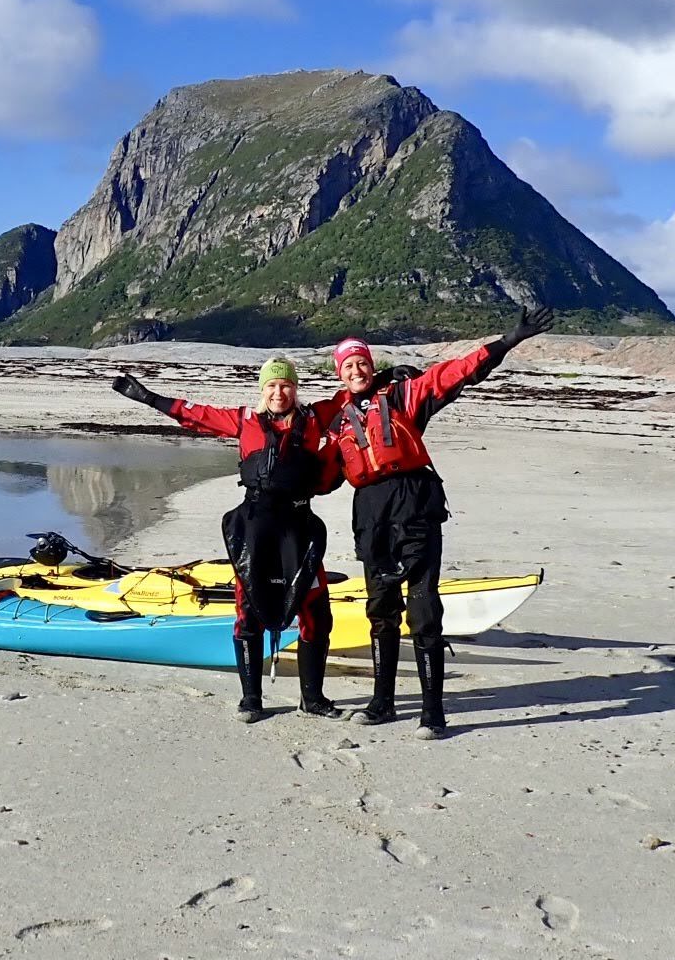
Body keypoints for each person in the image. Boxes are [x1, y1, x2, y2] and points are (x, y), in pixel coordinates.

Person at [325, 305, 555, 738]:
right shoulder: (334, 415)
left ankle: (433, 711)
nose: (356, 369)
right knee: (381, 608)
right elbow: (294, 435)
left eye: (362, 363)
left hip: (414, 504)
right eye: (348, 365)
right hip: (371, 512)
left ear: (371, 367)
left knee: (425, 608)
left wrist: (509, 340)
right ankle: (382, 703)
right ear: (340, 373)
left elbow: (456, 373)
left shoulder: (403, 395)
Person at [112, 357, 346, 723]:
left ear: (295, 389)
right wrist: (150, 398)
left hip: (299, 528)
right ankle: (251, 698)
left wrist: (384, 376)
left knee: (317, 612)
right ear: (262, 390)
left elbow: (353, 391)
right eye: (271, 385)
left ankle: (312, 698)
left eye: (285, 385)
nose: (278, 392)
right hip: (255, 529)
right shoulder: (243, 421)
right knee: (248, 613)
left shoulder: (315, 418)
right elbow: (195, 415)